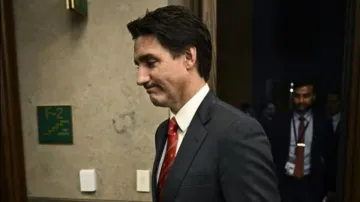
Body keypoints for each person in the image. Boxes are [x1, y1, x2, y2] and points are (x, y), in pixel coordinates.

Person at [126, 5, 280, 202]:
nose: (141, 78)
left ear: (189, 57)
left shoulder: (237, 132)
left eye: (151, 62)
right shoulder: (164, 132)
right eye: (138, 66)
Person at [267, 80, 334, 202]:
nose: (301, 101)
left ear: (313, 96)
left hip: (311, 184)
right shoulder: (280, 121)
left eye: (306, 96)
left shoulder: (323, 123)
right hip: (285, 183)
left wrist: (329, 188)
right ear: (293, 97)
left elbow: (330, 156)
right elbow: (272, 152)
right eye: (298, 96)